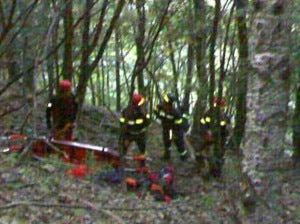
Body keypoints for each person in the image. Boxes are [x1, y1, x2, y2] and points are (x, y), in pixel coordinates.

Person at [196, 97, 231, 177]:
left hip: (220, 139)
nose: (219, 108)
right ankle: (200, 161)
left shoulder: (225, 117)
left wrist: (224, 134)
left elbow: (227, 130)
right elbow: (202, 123)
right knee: (201, 148)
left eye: (221, 106)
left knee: (219, 154)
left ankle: (216, 171)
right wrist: (206, 132)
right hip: (208, 137)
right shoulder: (208, 113)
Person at [119, 93, 151, 166]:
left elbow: (148, 122)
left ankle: (142, 164)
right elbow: (122, 124)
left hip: (140, 134)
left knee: (142, 150)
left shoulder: (143, 112)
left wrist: (145, 115)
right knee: (124, 149)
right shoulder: (126, 112)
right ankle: (122, 163)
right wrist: (125, 136)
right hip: (129, 134)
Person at [154, 93, 188, 161]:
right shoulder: (161, 108)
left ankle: (184, 157)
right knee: (167, 142)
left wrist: (175, 134)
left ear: (169, 104)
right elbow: (157, 113)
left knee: (179, 144)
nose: (164, 103)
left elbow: (179, 125)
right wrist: (158, 111)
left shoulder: (175, 113)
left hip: (175, 131)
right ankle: (167, 156)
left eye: (165, 102)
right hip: (167, 129)